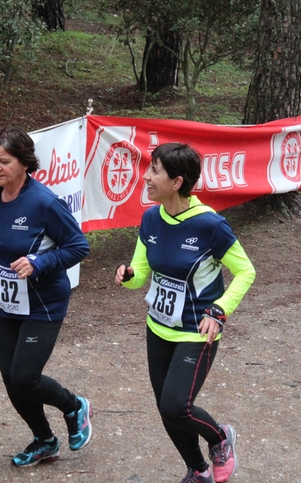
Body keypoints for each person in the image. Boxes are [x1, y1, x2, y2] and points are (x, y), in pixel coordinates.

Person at [114, 143, 255, 483]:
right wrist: (129, 275)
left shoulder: (210, 225)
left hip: (197, 329)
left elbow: (246, 271)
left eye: (154, 171)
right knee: (168, 409)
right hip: (159, 327)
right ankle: (198, 470)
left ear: (176, 182)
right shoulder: (151, 218)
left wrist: (219, 310)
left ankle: (220, 437)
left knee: (177, 406)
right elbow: (141, 271)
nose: (145, 176)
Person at [0, 126, 92, 467]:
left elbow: (79, 246)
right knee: (12, 380)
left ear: (24, 162)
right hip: (6, 302)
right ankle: (44, 440)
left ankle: (74, 406)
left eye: (4, 161)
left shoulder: (44, 203)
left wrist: (39, 263)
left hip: (43, 302)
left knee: (25, 377)